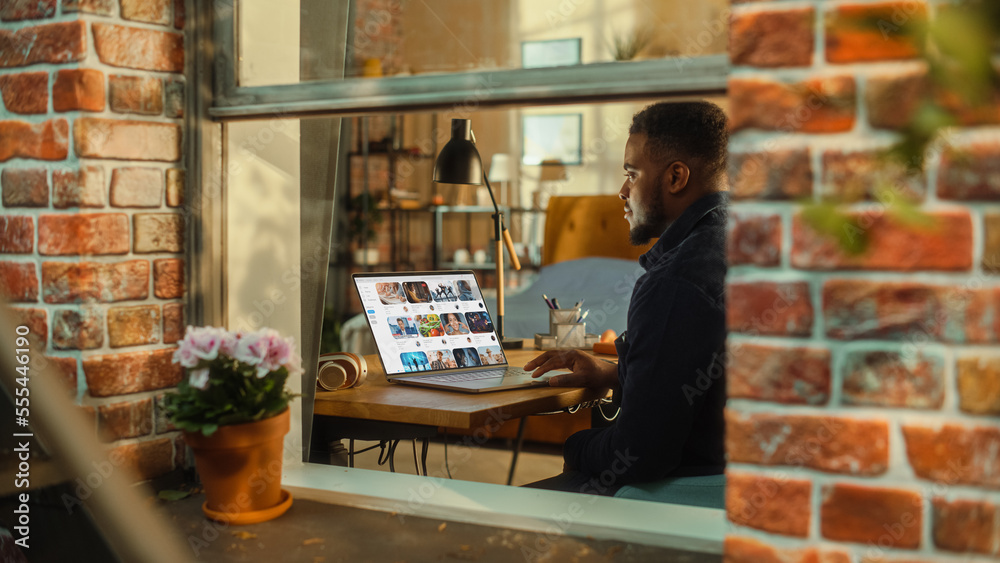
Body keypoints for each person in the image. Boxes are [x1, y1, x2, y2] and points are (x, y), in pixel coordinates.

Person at [524, 101, 729, 495]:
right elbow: (700, 376)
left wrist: (574, 446)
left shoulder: (674, 283)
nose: (622, 191)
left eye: (631, 174)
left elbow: (639, 455)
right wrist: (611, 372)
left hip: (692, 490)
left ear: (675, 177)